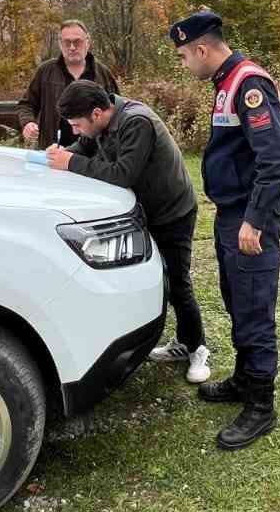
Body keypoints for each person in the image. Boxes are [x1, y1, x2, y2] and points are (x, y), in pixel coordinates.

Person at [170, 8, 280, 451]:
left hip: (248, 219)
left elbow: (275, 160)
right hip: (231, 215)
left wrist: (254, 220)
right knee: (237, 300)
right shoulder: (225, 83)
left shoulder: (248, 84)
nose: (184, 65)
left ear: (202, 49)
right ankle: (244, 380)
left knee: (254, 307)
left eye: (184, 56)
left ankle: (261, 406)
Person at [46, 81, 211, 384]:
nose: (77, 131)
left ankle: (196, 347)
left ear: (96, 113)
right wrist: (62, 155)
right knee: (155, 280)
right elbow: (80, 148)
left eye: (77, 124)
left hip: (173, 212)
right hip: (146, 212)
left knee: (176, 281)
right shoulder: (100, 126)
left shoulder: (137, 122)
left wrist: (71, 162)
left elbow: (123, 174)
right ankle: (182, 342)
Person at [16, 20, 119, 150]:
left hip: (94, 154)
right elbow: (26, 104)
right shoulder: (45, 71)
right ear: (60, 44)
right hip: (53, 149)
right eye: (67, 42)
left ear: (87, 42)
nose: (72, 47)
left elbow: (115, 112)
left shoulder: (103, 73)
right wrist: (28, 123)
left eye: (77, 42)